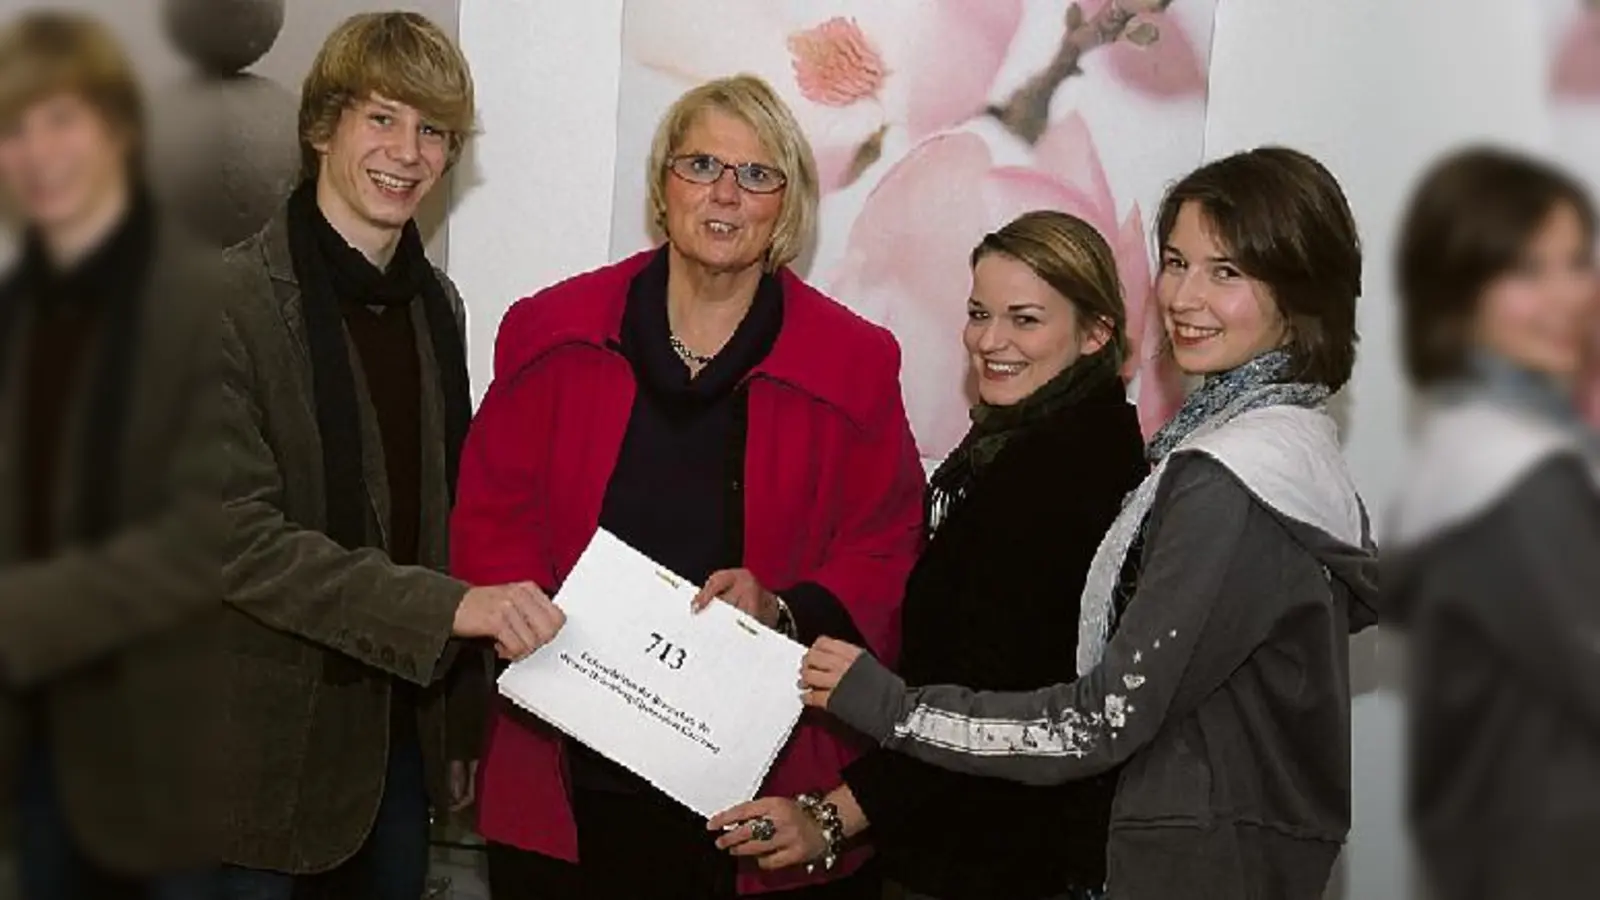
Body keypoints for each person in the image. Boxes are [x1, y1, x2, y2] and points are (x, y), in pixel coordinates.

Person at [797, 147, 1381, 899]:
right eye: (1176, 262)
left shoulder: (1233, 478)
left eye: (1227, 271)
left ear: (1299, 291)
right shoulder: (1276, 446)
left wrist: (886, 707)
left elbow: (1100, 718)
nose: (1184, 296)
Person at [450, 73, 925, 899]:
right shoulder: (551, 333)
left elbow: (886, 544)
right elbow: (491, 513)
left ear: (789, 205)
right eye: (701, 164)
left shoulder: (853, 363)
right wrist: (520, 610)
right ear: (662, 185)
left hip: (758, 778)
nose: (725, 195)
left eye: (757, 174)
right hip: (569, 761)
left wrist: (781, 609)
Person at [709, 211, 1148, 900]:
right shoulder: (1044, 447)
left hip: (991, 853)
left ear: (1095, 334)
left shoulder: (1057, 480)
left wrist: (830, 816)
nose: (989, 341)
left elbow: (982, 706)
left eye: (1024, 320)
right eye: (979, 313)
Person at [216, 12, 554, 899]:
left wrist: (458, 730)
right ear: (323, 127)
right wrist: (453, 609)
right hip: (250, 764)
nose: (407, 152)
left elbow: (440, 515)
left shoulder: (437, 304)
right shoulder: (221, 303)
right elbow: (241, 545)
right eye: (381, 118)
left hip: (397, 756)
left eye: (433, 129)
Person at [0, 11, 223, 899]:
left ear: (120, 131)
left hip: (172, 767)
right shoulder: (17, 309)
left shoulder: (204, 298)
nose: (38, 150)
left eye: (64, 121)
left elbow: (207, 532)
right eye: (16, 128)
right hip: (37, 757)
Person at [1387, 148, 1600, 900]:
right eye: (1526, 271)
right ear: (1458, 293)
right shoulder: (1519, 481)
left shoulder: (1472, 452)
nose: (1569, 295)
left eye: (1577, 261)